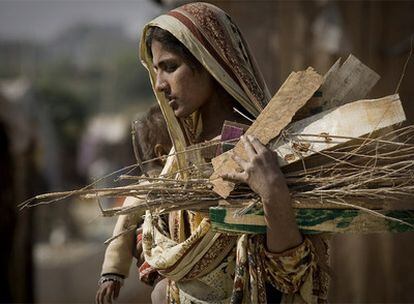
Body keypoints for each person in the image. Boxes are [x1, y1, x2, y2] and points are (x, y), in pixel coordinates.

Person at [112, 2, 329, 303]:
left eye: (171, 67)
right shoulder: (178, 158)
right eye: (156, 70)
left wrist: (273, 195)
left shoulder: (262, 148)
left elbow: (290, 274)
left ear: (209, 61)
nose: (160, 84)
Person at [95, 104, 172, 304]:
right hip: (163, 270)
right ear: (163, 154)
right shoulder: (144, 191)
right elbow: (121, 234)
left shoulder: (189, 181)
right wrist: (112, 273)